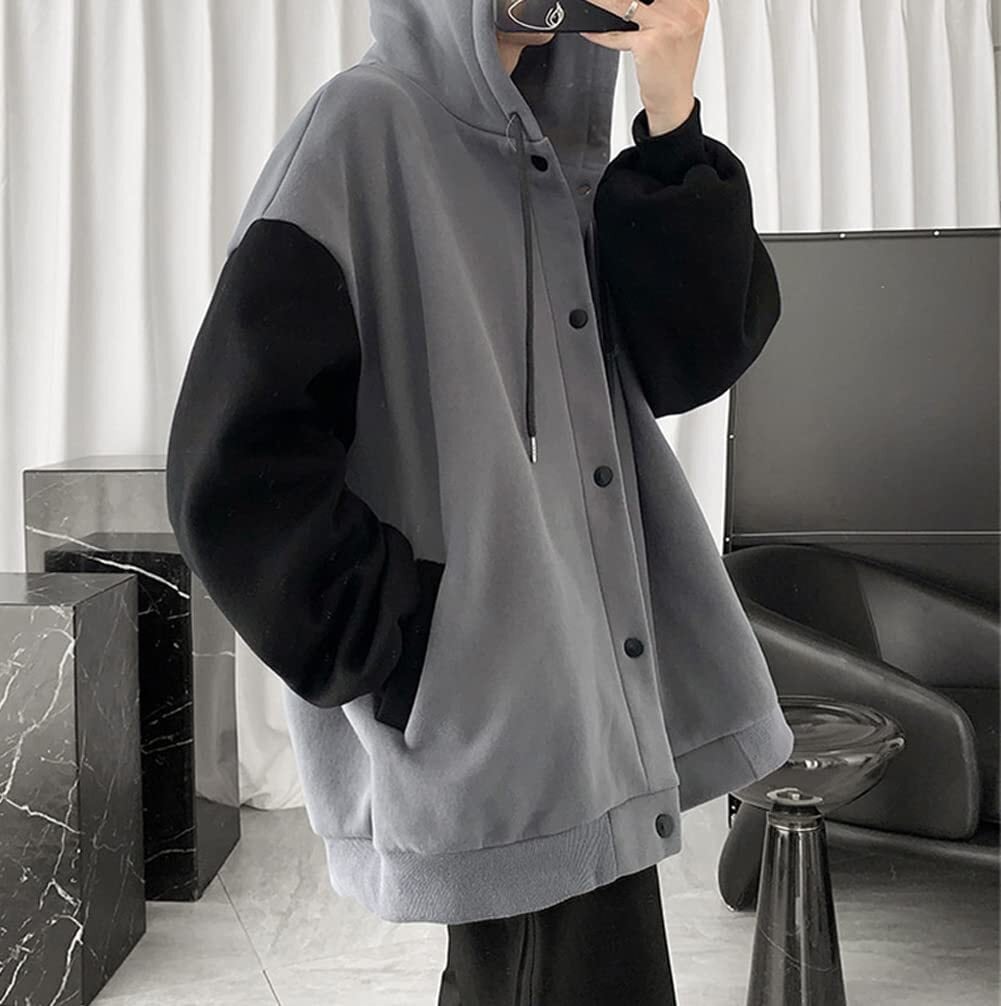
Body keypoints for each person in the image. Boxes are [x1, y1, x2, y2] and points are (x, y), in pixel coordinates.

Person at [165, 0, 794, 1001]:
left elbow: (689, 358)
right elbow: (232, 470)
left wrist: (670, 112)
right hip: (491, 717)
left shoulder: (548, 153)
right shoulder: (361, 129)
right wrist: (416, 643)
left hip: (593, 694)